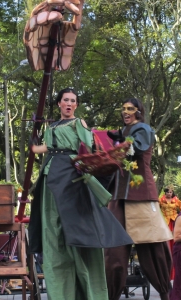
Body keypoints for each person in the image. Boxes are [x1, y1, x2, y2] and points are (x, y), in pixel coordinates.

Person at [30, 88, 132, 300]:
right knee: (52, 233)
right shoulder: (51, 126)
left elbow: (87, 149)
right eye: (65, 100)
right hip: (49, 176)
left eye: (73, 101)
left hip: (70, 177)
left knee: (76, 231)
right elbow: (44, 149)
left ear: (76, 105)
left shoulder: (79, 123)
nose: (69, 103)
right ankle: (60, 293)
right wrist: (34, 141)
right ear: (59, 103)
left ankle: (88, 291)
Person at [104, 98, 172, 300]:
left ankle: (165, 294)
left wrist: (118, 148)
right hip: (118, 197)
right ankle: (111, 295)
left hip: (141, 196)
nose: (126, 112)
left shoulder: (143, 130)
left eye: (130, 109)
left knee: (154, 249)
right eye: (123, 108)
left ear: (138, 111)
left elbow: (136, 148)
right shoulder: (120, 133)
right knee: (113, 253)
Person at [159, 186, 181, 280]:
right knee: (166, 242)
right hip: (165, 222)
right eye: (168, 192)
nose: (169, 193)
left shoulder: (176, 200)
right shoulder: (160, 200)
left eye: (171, 192)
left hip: (174, 221)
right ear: (165, 193)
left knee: (175, 241)